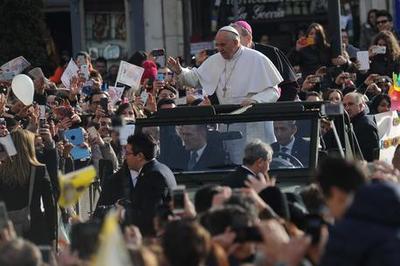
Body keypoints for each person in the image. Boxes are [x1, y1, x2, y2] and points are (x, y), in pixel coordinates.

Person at [167, 26, 283, 106]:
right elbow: (195, 79)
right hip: (227, 120)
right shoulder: (215, 60)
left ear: (236, 42)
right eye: (217, 45)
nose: (219, 49)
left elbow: (273, 91)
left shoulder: (257, 58)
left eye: (223, 45)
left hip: (253, 122)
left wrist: (256, 101)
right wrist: (180, 70)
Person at [96, 132, 177, 236]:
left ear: (139, 156)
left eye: (128, 153)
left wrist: (122, 212)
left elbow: (149, 216)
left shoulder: (152, 176)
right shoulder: (162, 169)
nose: (125, 157)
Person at [320, 181, 400, 265]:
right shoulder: (391, 231)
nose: (329, 212)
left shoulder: (344, 234)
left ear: (336, 193)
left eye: (327, 200)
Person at [0, 129, 56, 245]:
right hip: (35, 230)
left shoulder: (2, 172)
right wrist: (52, 235)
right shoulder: (39, 170)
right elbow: (49, 205)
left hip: (7, 234)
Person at [230, 20, 299, 101]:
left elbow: (290, 86)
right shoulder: (228, 57)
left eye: (236, 39)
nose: (232, 44)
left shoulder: (271, 53)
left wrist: (278, 109)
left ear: (248, 38)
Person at [343, 92, 380, 161]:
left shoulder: (365, 125)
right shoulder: (352, 122)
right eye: (344, 105)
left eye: (350, 104)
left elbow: (370, 155)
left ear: (360, 106)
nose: (347, 108)